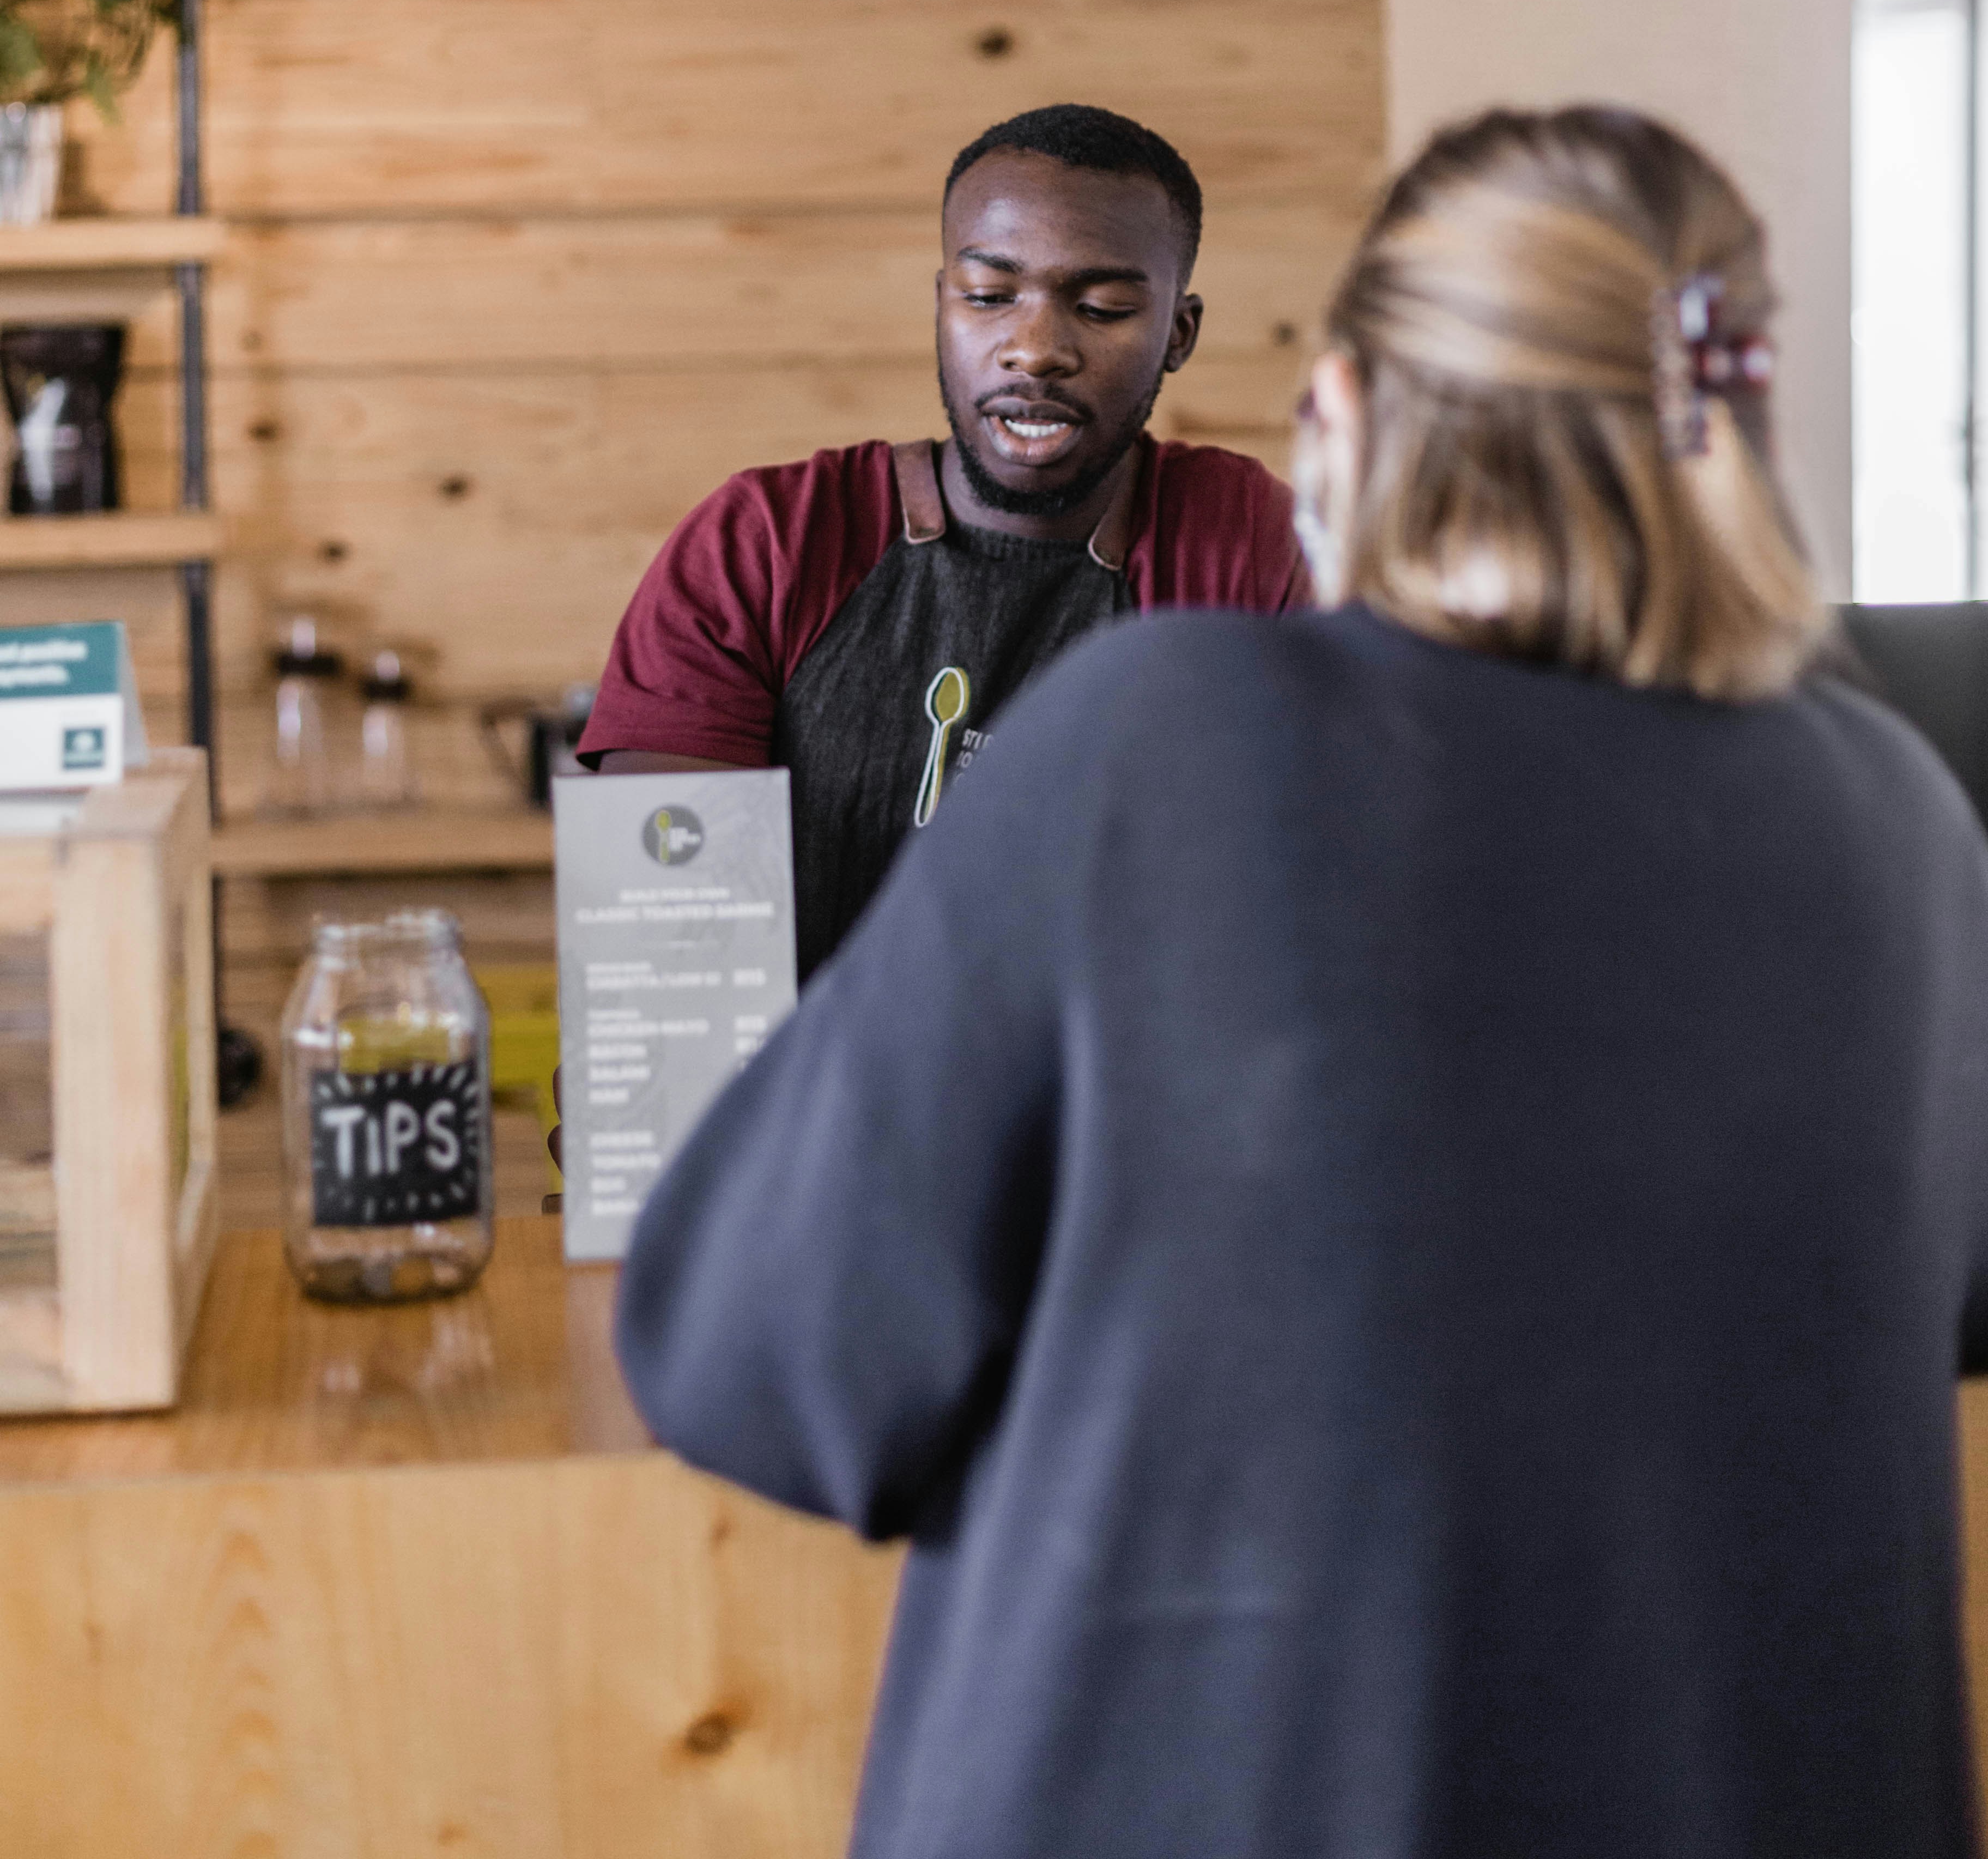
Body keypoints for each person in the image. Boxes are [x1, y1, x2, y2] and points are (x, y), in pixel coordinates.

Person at [613, 104, 1988, 1859]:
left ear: (1334, 413)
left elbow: (754, 1357)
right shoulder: (1901, 818)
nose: (1037, 342)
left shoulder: (1165, 730)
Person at [579, 101, 1304, 977]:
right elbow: (663, 957)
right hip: (810, 1111)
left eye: (1104, 308)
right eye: (990, 297)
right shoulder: (764, 545)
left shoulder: (1253, 549)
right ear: (941, 304)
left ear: (1177, 335)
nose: (1034, 349)